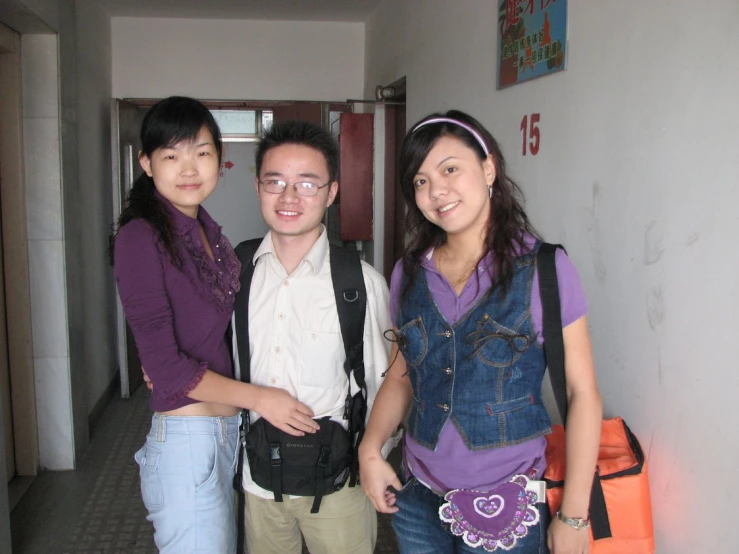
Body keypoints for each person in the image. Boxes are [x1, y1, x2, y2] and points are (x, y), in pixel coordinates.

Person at [359, 110, 603, 554]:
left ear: (488, 168)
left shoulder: (544, 269)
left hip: (511, 502)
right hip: (418, 499)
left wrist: (574, 513)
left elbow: (581, 391)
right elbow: (400, 378)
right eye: (420, 180)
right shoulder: (409, 273)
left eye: (450, 169)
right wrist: (370, 450)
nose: (436, 191)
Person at [112, 97, 318, 554]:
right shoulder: (139, 236)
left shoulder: (209, 233)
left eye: (201, 153)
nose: (189, 168)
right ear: (146, 162)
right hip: (188, 443)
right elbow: (166, 368)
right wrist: (263, 399)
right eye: (171, 155)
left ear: (220, 160)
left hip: (227, 435)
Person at [233, 120, 392, 554]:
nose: (288, 197)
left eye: (307, 183)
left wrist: (372, 456)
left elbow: (386, 383)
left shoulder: (359, 282)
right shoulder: (236, 273)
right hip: (259, 478)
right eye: (275, 182)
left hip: (339, 482)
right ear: (258, 188)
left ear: (331, 192)